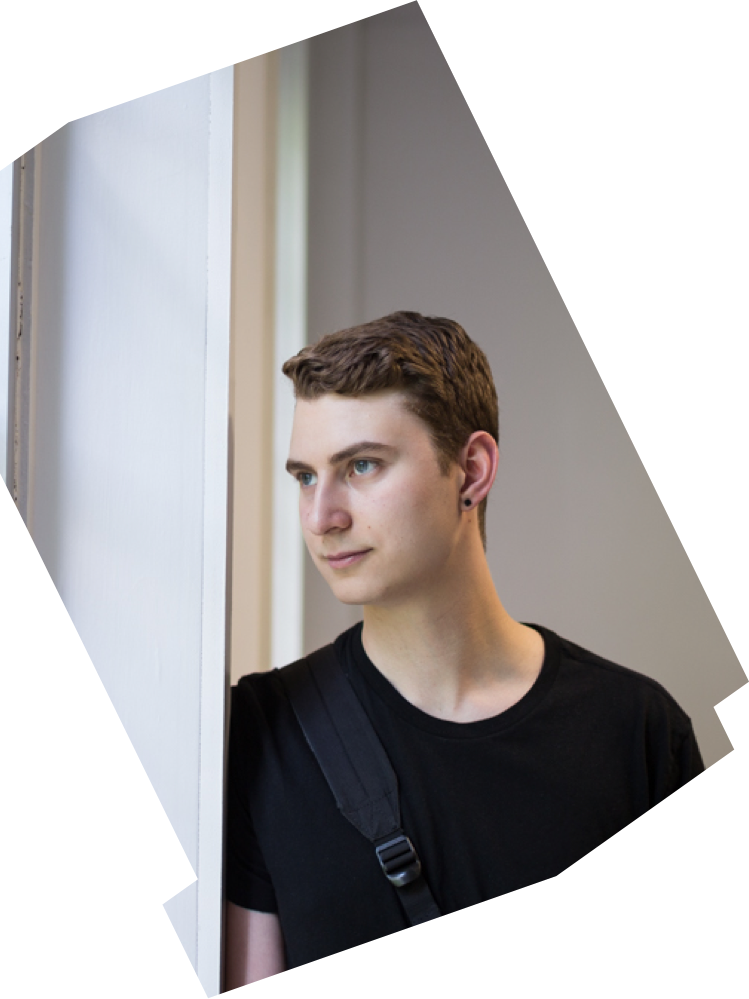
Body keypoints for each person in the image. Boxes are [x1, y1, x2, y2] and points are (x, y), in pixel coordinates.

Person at [223, 311, 704, 988]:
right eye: (304, 476)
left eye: (360, 465)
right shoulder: (261, 733)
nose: (320, 516)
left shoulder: (636, 730)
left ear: (470, 471)